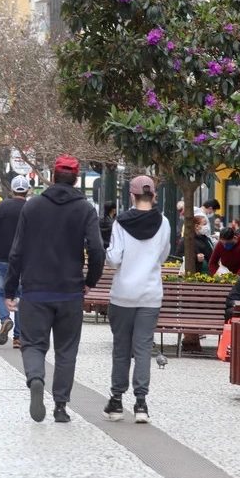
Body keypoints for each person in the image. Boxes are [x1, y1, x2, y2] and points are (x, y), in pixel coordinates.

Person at [5, 155, 104, 424]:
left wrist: (10, 289)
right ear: (76, 179)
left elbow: (17, 251)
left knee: (33, 344)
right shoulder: (85, 209)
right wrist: (90, 281)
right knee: (66, 350)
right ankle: (60, 405)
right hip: (70, 291)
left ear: (52, 176)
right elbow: (97, 249)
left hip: (35, 290)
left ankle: (36, 378)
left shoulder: (33, 206)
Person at [101, 175, 170, 423]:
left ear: (132, 195)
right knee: (142, 350)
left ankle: (116, 401)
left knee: (121, 349)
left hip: (123, 295)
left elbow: (113, 259)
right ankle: (141, 403)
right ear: (154, 196)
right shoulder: (163, 222)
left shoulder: (120, 222)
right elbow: (163, 256)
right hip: (150, 295)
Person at [0, 176, 29, 347]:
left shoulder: (1, 207)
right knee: (20, 294)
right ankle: (18, 337)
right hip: (25, 257)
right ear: (28, 191)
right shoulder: (31, 208)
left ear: (11, 190)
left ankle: (5, 318)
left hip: (3, 255)